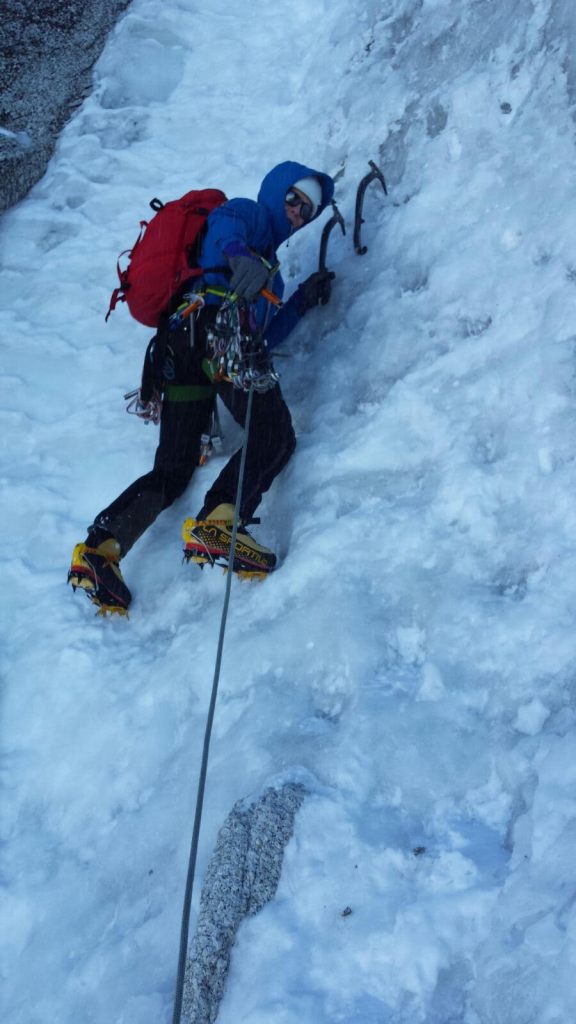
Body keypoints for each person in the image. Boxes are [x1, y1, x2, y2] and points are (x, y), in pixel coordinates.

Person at [68, 161, 335, 614]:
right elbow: (221, 226)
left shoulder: (272, 274)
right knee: (275, 434)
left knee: (173, 468)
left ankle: (100, 550)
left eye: (306, 210)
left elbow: (266, 336)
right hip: (215, 331)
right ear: (276, 192)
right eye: (293, 198)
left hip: (182, 348)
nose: (295, 212)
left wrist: (303, 300)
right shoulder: (250, 215)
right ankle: (221, 520)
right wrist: (238, 253)